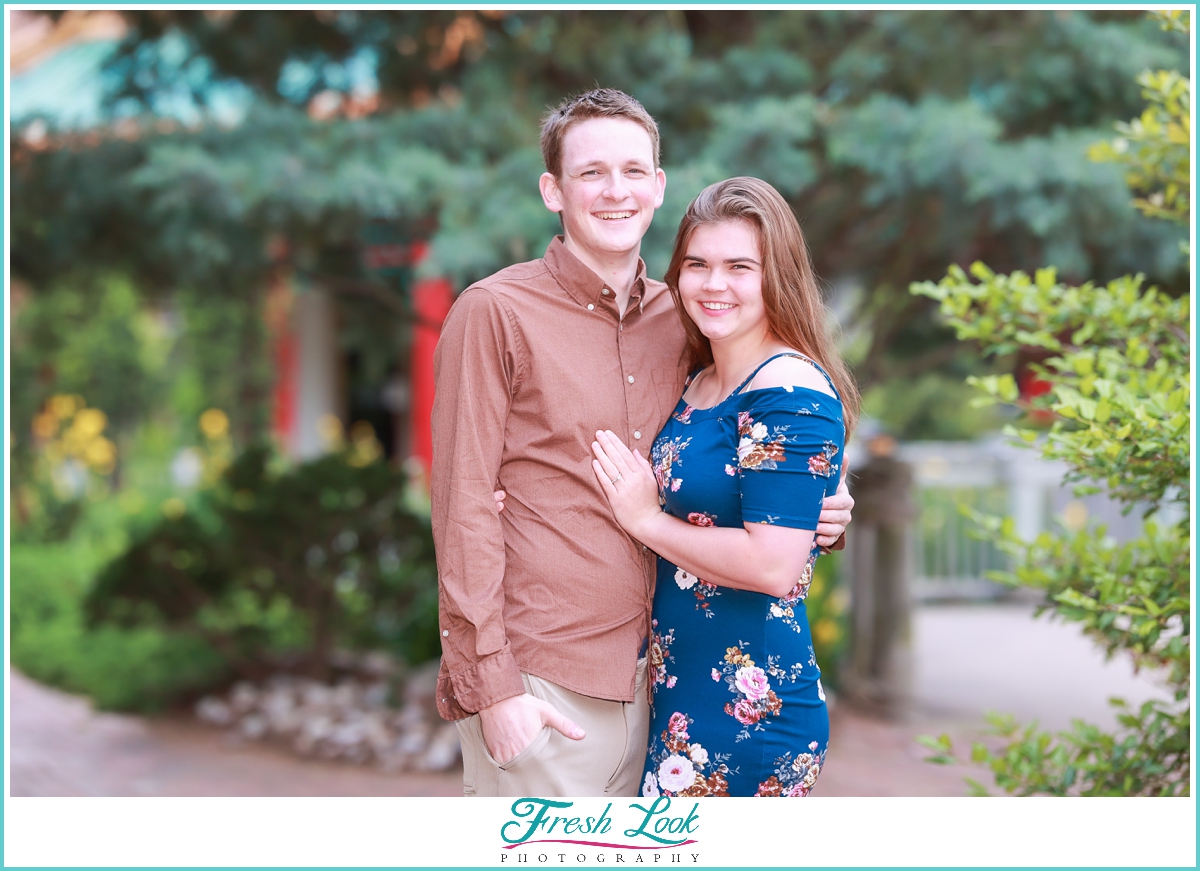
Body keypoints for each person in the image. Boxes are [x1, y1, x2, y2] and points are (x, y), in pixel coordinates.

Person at [431, 89, 853, 797]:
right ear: (552, 190)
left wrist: (825, 505)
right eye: (591, 172)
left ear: (659, 185)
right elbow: (462, 503)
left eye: (633, 170)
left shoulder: (687, 317)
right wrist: (492, 686)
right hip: (547, 683)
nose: (615, 190)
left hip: (668, 692)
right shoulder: (494, 312)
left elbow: (738, 452)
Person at [590, 177, 860, 797]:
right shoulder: (702, 379)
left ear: (777, 276)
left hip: (751, 712)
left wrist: (648, 521)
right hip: (684, 697)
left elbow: (772, 564)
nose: (714, 285)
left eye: (740, 267)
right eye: (698, 264)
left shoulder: (789, 391)